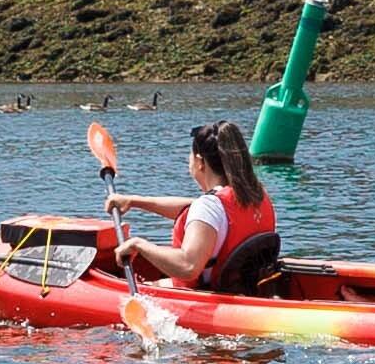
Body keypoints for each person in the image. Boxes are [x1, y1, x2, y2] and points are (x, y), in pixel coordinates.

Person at [93, 119, 286, 293]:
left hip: (209, 296)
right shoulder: (256, 194)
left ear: (200, 162)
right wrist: (134, 201)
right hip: (246, 289)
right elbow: (193, 209)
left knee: (149, 284)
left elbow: (188, 267)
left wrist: (139, 245)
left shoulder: (211, 207)